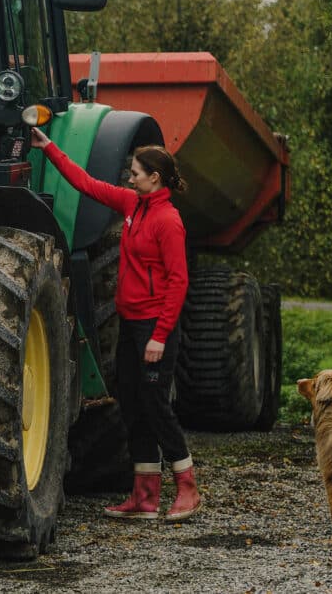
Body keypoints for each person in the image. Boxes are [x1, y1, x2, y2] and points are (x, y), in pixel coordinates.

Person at [30, 127, 201, 522]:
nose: (130, 177)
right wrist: (50, 147)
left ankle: (188, 489)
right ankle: (144, 495)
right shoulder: (131, 205)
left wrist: (159, 336)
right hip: (131, 324)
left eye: (136, 172)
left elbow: (179, 282)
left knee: (157, 405)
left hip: (155, 328)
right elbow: (86, 183)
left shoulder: (168, 221)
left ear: (154, 178)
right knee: (132, 404)